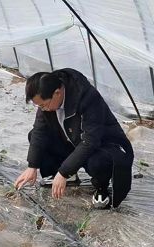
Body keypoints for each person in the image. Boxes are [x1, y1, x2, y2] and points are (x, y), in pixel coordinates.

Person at [14, 69, 134, 209]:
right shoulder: (48, 99)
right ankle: (65, 176)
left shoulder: (87, 97)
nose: (43, 109)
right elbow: (39, 131)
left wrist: (64, 171)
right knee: (35, 135)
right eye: (39, 106)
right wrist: (32, 166)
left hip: (102, 145)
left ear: (57, 93)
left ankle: (101, 188)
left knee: (98, 162)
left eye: (43, 105)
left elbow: (91, 141)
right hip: (73, 140)